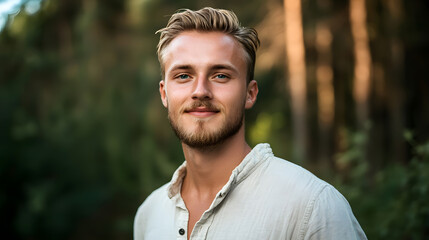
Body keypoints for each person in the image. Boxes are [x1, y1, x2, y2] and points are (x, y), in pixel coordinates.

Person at [134, 7, 367, 240]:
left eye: (220, 75)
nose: (200, 91)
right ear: (165, 94)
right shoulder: (149, 215)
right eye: (183, 75)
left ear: (250, 93)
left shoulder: (313, 207)